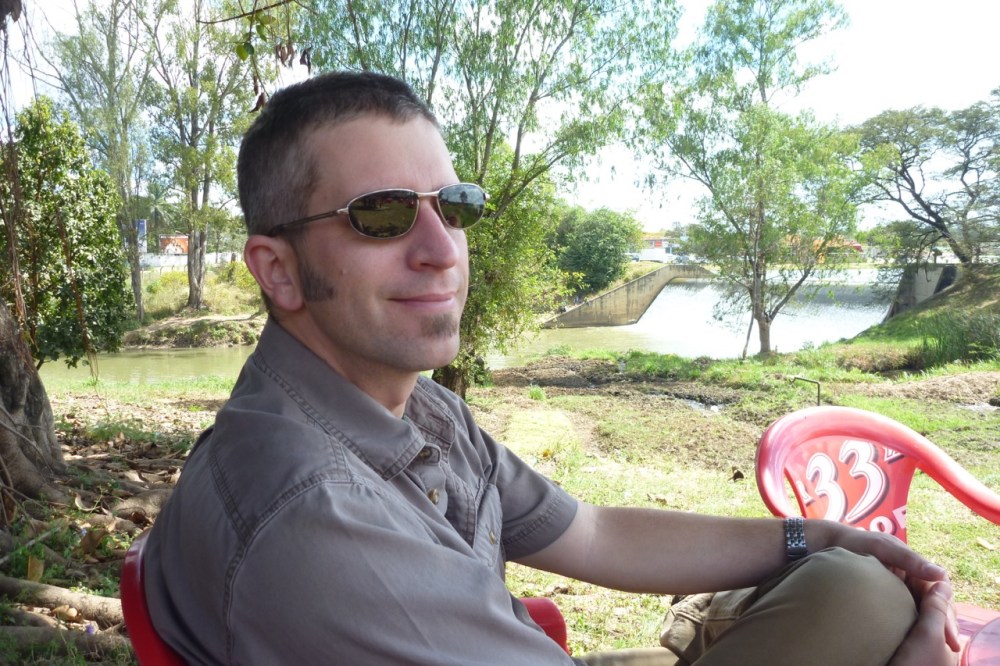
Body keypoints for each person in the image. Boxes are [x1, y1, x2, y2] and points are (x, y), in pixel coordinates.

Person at [142, 70, 961, 665]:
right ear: (278, 271)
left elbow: (595, 533)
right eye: (382, 216)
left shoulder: (412, 411)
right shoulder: (319, 514)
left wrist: (814, 532)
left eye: (453, 207)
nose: (442, 252)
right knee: (864, 602)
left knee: (844, 577)